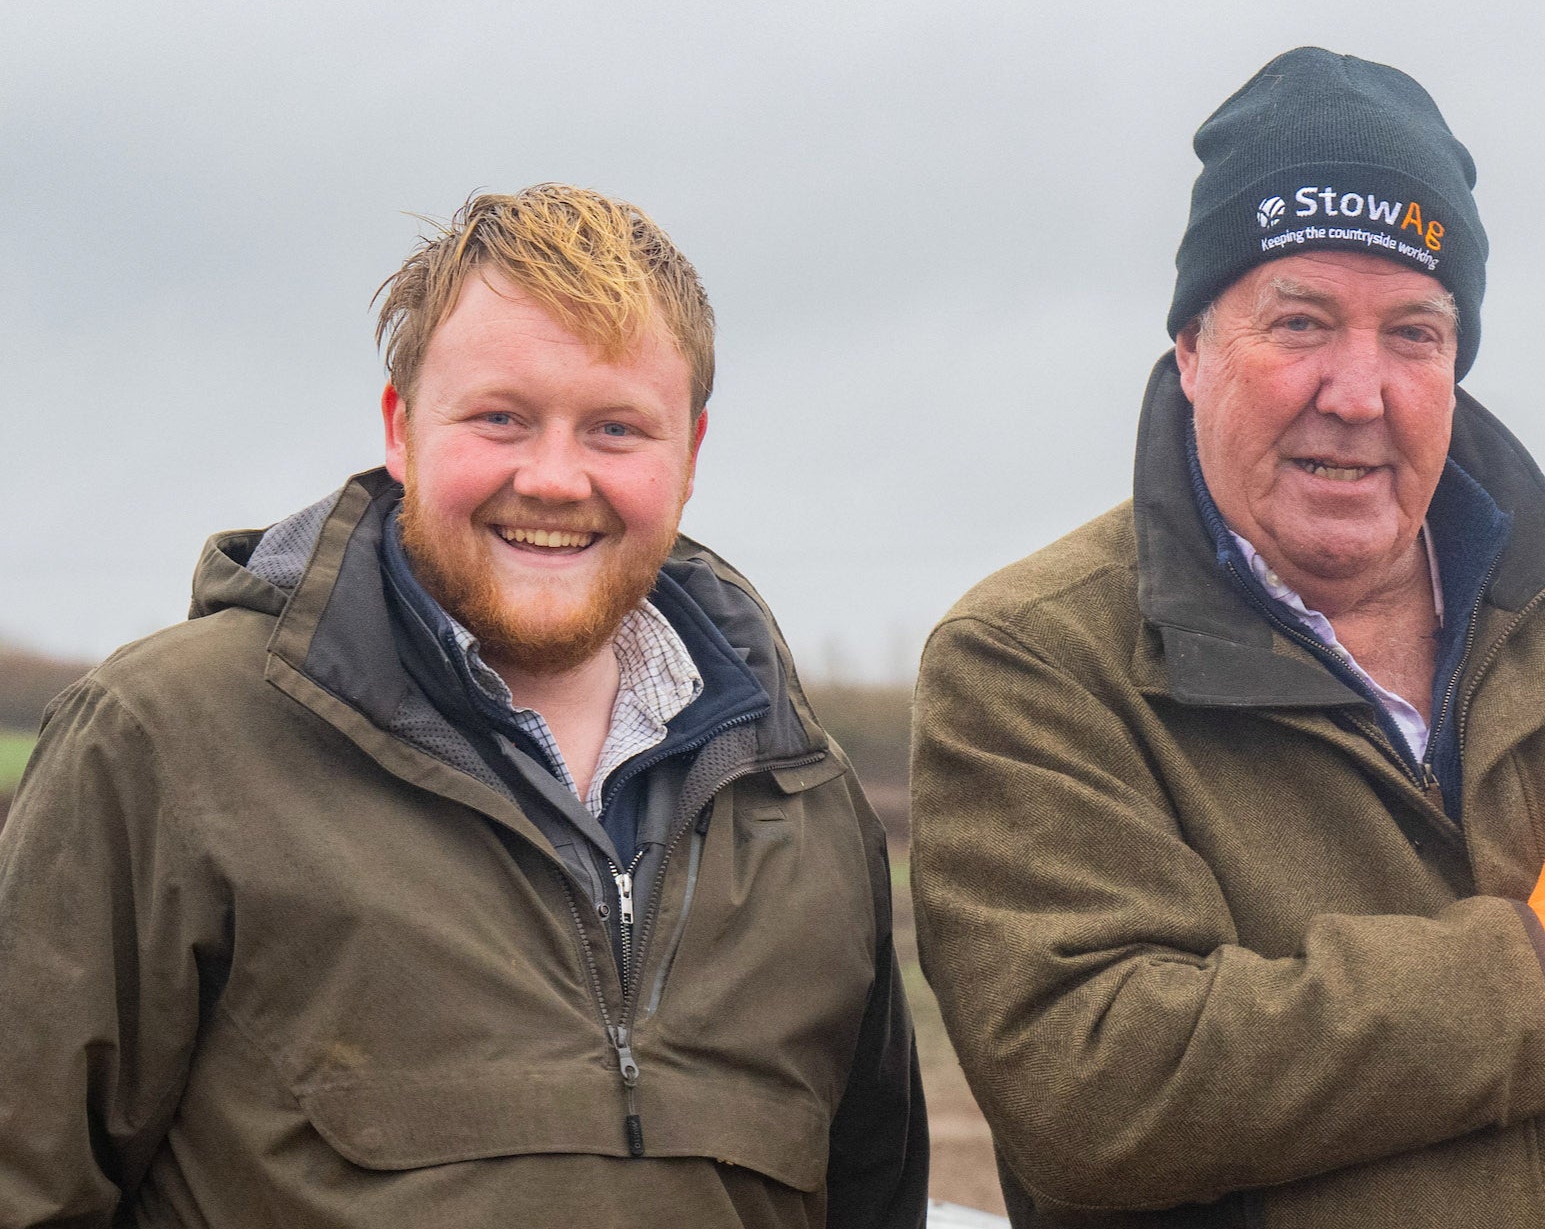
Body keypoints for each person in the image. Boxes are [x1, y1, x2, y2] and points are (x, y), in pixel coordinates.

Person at [908, 50, 1545, 1227]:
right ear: (1190, 348)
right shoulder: (1032, 664)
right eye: (1300, 321)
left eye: (1413, 334)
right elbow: (1093, 1090)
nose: (1357, 389)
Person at [0, 185, 927, 1228]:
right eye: (501, 418)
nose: (553, 477)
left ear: (691, 457)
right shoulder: (161, 746)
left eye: (616, 429)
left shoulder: (802, 803)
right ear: (401, 428)